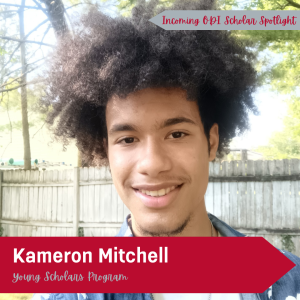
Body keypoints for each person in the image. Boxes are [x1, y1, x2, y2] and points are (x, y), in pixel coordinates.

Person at [34, 0, 300, 299]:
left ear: (211, 143)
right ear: (106, 150)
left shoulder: (289, 283)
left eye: (176, 133)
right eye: (128, 139)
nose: (152, 164)